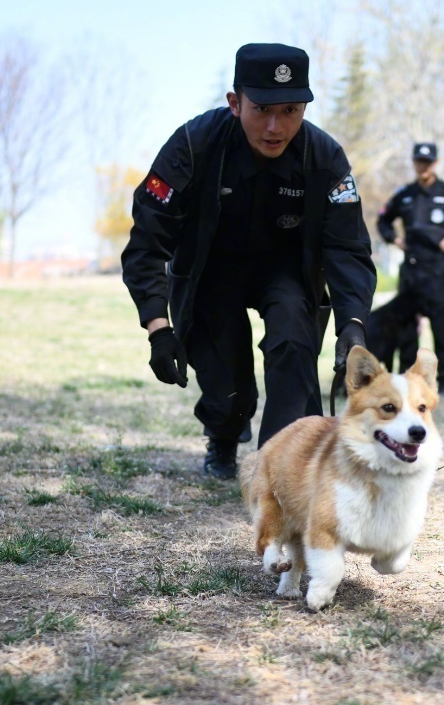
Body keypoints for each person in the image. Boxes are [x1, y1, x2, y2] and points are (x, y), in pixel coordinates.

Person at [121, 43, 374, 479]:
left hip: (286, 272)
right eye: (262, 110)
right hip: (211, 273)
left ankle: (280, 468)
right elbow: (148, 239)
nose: (276, 127)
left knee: (295, 342)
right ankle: (223, 436)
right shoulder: (192, 146)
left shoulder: (324, 158)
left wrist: (353, 323)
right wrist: (157, 328)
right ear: (235, 103)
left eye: (291, 111)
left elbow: (347, 248)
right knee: (226, 387)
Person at [366, 143, 444, 396]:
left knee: (442, 328)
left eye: (428, 162)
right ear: (414, 163)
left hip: (438, 272)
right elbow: (383, 220)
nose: (423, 166)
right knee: (407, 330)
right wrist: (394, 239)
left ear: (436, 163)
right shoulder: (405, 194)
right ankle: (406, 380)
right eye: (419, 161)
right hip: (411, 271)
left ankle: (443, 381)